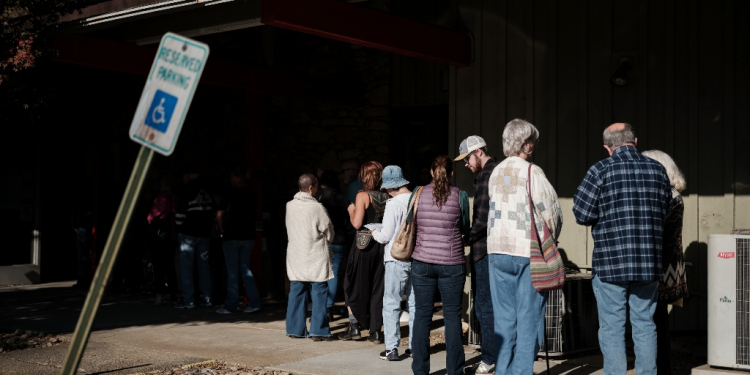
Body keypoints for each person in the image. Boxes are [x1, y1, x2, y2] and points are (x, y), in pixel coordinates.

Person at [573, 123, 672, 375]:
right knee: (645, 324)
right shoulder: (658, 170)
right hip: (648, 262)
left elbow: (582, 214)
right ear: (635, 140)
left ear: (608, 147)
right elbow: (666, 210)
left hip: (610, 263)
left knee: (612, 327)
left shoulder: (599, 170)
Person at [486, 119, 563, 375]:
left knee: (504, 321)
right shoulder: (532, 171)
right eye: (534, 142)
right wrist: (552, 238)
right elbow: (550, 211)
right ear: (526, 145)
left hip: (497, 250)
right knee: (528, 320)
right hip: (526, 251)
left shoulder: (496, 172)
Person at [410, 155, 470, 375]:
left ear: (432, 172)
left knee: (422, 315)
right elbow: (465, 226)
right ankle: (455, 371)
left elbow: (411, 224)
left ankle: (420, 370)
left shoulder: (417, 194)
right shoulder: (460, 196)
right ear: (451, 173)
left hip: (422, 261)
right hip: (451, 263)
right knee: (453, 317)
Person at [454, 135, 499, 375]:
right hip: (498, 249)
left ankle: (490, 360)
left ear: (478, 152)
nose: (465, 164)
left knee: (484, 308)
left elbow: (482, 218)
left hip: (485, 250)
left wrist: (466, 238)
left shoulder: (485, 176)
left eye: (467, 158)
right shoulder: (498, 170)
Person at [642, 150, 689, 375]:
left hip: (660, 265)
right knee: (657, 318)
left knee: (655, 319)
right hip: (669, 264)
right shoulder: (673, 195)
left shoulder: (667, 196)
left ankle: (661, 368)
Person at [338, 161, 388, 343]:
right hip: (382, 245)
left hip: (363, 245)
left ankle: (354, 327)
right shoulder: (386, 196)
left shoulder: (362, 195)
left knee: (352, 284)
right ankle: (375, 331)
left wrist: (351, 210)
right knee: (377, 287)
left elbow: (357, 223)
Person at [371, 165, 414, 361]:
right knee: (415, 304)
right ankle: (414, 346)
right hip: (416, 256)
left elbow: (386, 235)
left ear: (390, 187)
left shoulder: (393, 204)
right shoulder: (416, 198)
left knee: (391, 303)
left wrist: (373, 232)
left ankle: (392, 348)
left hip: (395, 257)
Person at [285, 173, 335, 341]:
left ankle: (294, 328)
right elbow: (328, 230)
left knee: (297, 289)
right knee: (319, 291)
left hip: (296, 253)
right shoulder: (317, 208)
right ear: (311, 187)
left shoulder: (289, 205)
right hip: (315, 254)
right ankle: (318, 331)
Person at [215, 167, 262, 314]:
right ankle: (254, 302)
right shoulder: (251, 193)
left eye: (233, 176)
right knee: (245, 269)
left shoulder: (230, 193)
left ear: (238, 177)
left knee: (233, 272)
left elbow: (219, 214)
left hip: (232, 236)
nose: (231, 179)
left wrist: (221, 229)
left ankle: (231, 305)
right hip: (247, 236)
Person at [174, 171, 216, 309]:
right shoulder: (208, 189)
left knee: (187, 267)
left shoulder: (187, 189)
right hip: (204, 234)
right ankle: (207, 297)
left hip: (188, 233)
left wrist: (178, 227)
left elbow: (180, 213)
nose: (183, 177)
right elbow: (213, 211)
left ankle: (189, 300)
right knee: (204, 267)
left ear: (190, 175)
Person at [316, 170, 351, 321]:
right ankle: (329, 307)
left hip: (323, 239)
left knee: (320, 274)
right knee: (334, 274)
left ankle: (322, 308)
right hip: (340, 238)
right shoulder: (342, 198)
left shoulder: (320, 197)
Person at [146, 175, 178, 306]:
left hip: (160, 237)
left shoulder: (161, 198)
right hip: (172, 236)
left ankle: (158, 296)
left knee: (158, 266)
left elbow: (151, 217)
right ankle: (174, 294)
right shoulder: (175, 199)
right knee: (171, 266)